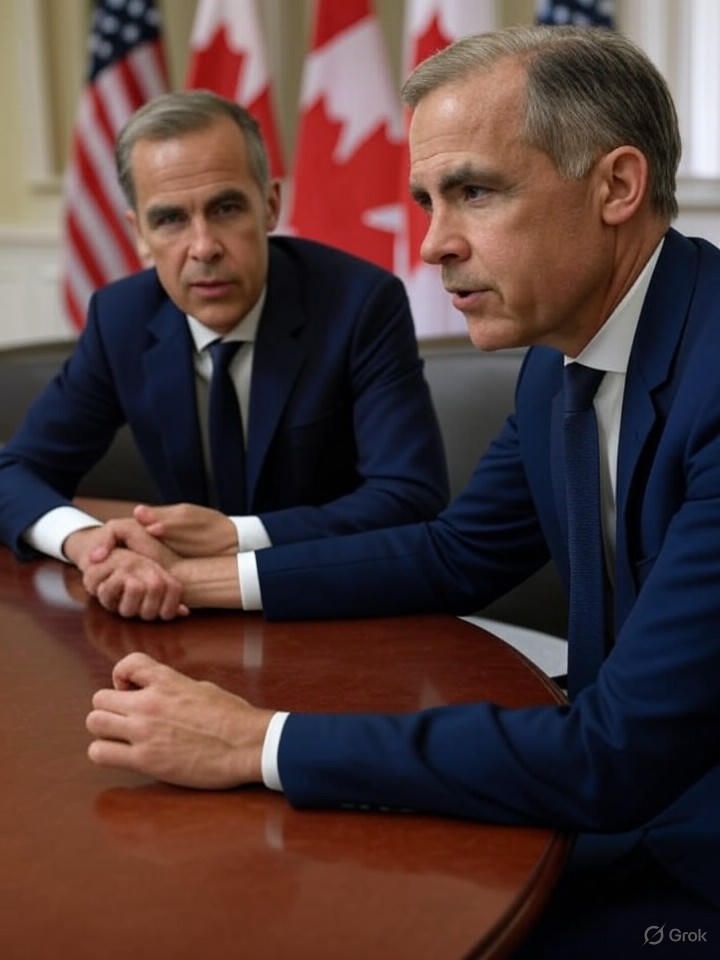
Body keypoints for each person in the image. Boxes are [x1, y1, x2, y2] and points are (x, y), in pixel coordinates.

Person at [86, 27, 719, 952]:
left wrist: (255, 742)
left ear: (616, 186)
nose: (431, 245)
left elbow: (612, 756)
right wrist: (210, 574)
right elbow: (459, 553)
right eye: (424, 200)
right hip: (618, 802)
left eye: (473, 192)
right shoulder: (562, 356)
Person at [0, 91, 448, 609]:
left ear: (270, 206)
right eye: (169, 219)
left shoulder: (360, 304)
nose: (204, 246)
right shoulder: (120, 317)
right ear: (139, 235)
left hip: (333, 603)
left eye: (227, 208)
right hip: (178, 612)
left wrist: (240, 535)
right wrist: (88, 544)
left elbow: (409, 497)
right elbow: (15, 471)